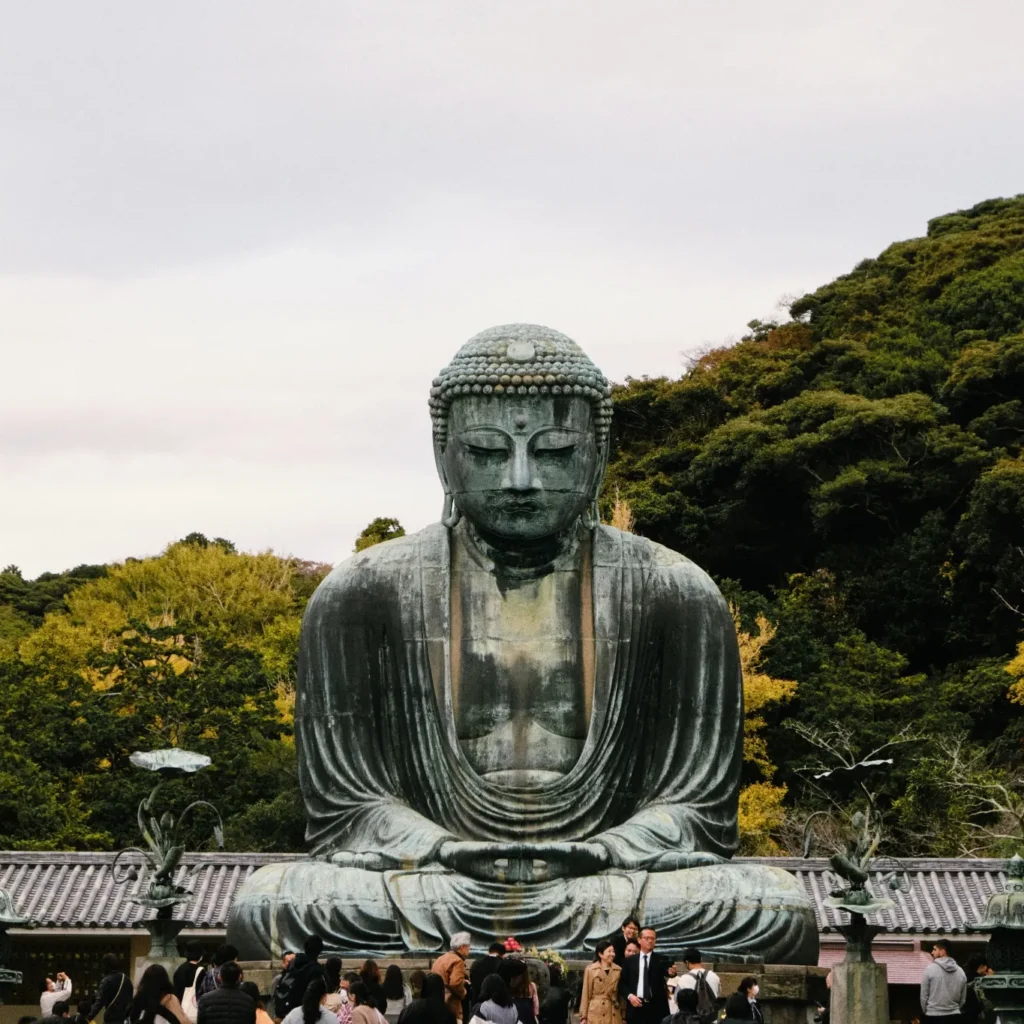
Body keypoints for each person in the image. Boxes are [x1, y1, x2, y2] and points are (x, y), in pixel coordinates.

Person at [618, 929, 673, 1024]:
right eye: (647, 938)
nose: (650, 941)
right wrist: (630, 996)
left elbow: (667, 972)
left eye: (653, 938)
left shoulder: (661, 959)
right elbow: (621, 983)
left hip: (656, 1008)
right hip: (636, 1007)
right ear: (639, 940)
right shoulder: (629, 961)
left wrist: (672, 973)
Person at [920, 941, 967, 1023]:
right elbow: (963, 999)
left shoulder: (929, 969)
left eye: (934, 949)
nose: (932, 952)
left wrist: (927, 1011)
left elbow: (924, 996)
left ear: (942, 952)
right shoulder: (961, 972)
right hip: (954, 1016)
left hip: (933, 1016)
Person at [279, 938, 326, 1018]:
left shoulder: (293, 963)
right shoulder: (316, 970)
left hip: (288, 1009)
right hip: (306, 1012)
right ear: (320, 950)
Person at [580, 941, 623, 1024]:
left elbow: (621, 996)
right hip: (596, 1012)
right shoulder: (590, 970)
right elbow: (585, 993)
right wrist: (583, 1017)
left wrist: (623, 1016)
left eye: (613, 951)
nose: (612, 954)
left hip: (613, 1011)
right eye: (609, 951)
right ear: (600, 954)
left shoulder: (618, 970)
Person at [432, 934, 470, 1023]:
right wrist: (463, 992)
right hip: (451, 1005)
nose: (469, 949)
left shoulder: (440, 959)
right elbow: (455, 983)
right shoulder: (458, 961)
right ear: (462, 947)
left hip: (438, 1003)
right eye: (468, 947)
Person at [674, 949, 718, 1021]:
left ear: (687, 962)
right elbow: (717, 994)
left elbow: (676, 1000)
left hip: (691, 1020)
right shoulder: (714, 977)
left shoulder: (683, 979)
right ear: (701, 959)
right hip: (711, 1019)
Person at [91, 955, 133, 1024]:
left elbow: (99, 1003)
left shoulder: (106, 981)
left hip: (111, 1020)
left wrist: (87, 1018)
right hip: (124, 1020)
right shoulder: (127, 980)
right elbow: (130, 1001)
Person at [961, 953, 994, 1024]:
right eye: (987, 967)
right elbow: (988, 1005)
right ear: (982, 966)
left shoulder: (963, 977)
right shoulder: (979, 982)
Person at [271, 955, 297, 1019]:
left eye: (293, 961)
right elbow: (273, 998)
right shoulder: (278, 979)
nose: (291, 964)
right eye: (289, 962)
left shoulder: (298, 978)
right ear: (283, 963)